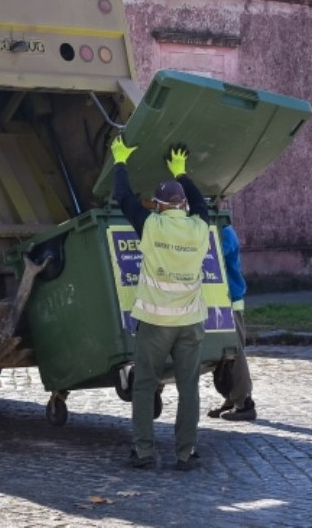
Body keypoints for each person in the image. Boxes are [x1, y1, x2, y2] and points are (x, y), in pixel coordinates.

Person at [111, 137, 210, 472]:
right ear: (182, 205)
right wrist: (182, 173)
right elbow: (201, 204)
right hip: (190, 323)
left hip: (154, 322)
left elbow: (123, 199)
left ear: (157, 205)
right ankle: (186, 453)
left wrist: (120, 161)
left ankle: (143, 452)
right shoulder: (199, 228)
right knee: (188, 389)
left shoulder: (150, 225)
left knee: (144, 385)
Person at [207, 224, 257, 421]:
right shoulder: (221, 229)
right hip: (220, 298)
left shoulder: (224, 231)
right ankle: (231, 399)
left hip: (228, 299)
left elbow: (215, 251)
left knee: (234, 350)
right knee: (223, 352)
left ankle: (245, 403)